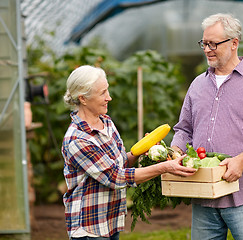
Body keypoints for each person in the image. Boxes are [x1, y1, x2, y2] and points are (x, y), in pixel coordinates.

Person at [171, 13, 243, 240]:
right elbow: (184, 129)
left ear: (234, 43)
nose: (207, 49)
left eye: (214, 43)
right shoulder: (198, 84)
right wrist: (175, 151)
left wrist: (241, 160)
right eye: (204, 43)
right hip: (203, 194)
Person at [61, 65, 196, 240]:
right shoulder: (77, 140)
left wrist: (141, 151)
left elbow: (120, 163)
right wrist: (165, 167)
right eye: (102, 93)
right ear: (83, 99)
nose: (109, 97)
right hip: (89, 228)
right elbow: (116, 177)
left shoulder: (106, 122)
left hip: (110, 221)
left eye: (107, 90)